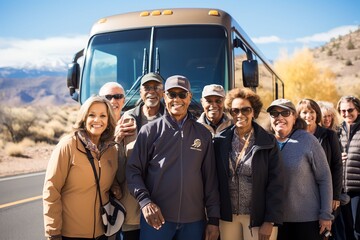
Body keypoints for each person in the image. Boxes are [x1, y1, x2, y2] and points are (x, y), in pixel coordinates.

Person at [126, 75, 220, 240]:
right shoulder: (149, 131)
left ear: (189, 98)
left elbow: (210, 179)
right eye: (172, 94)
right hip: (157, 221)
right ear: (164, 96)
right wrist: (145, 201)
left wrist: (213, 219)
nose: (177, 99)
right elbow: (133, 171)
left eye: (182, 95)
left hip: (194, 223)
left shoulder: (203, 134)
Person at [43, 95, 118, 240]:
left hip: (103, 233)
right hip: (70, 234)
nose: (97, 120)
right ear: (84, 118)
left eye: (103, 115)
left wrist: (116, 187)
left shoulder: (111, 150)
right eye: (92, 115)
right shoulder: (68, 146)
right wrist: (53, 232)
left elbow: (107, 181)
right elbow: (51, 190)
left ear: (108, 121)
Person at [213, 87, 284, 240]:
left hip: (258, 217)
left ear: (254, 111)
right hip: (227, 217)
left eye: (245, 110)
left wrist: (269, 220)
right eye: (235, 111)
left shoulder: (267, 141)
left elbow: (276, 183)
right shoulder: (219, 141)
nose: (240, 115)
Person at [267, 98, 333, 240]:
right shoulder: (265, 142)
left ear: (294, 117)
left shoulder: (308, 140)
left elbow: (324, 178)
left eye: (285, 113)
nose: (280, 117)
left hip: (307, 221)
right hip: (274, 221)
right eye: (274, 113)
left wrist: (326, 215)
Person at [115, 72, 165, 240]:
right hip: (131, 204)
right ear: (141, 92)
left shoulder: (172, 120)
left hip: (163, 206)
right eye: (147, 87)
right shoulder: (127, 120)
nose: (152, 91)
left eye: (156, 87)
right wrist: (116, 138)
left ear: (163, 92)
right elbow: (115, 159)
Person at [296, 99, 342, 211]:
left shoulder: (329, 135)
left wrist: (335, 195)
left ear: (317, 114)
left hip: (325, 191)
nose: (308, 115)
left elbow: (337, 165)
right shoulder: (294, 135)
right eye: (304, 112)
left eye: (312, 112)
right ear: (298, 115)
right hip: (300, 192)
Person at [337, 95, 360, 239]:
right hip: (342, 189)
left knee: (357, 229)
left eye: (350, 110)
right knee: (345, 229)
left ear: (358, 110)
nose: (346, 114)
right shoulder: (338, 131)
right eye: (343, 110)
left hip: (358, 189)